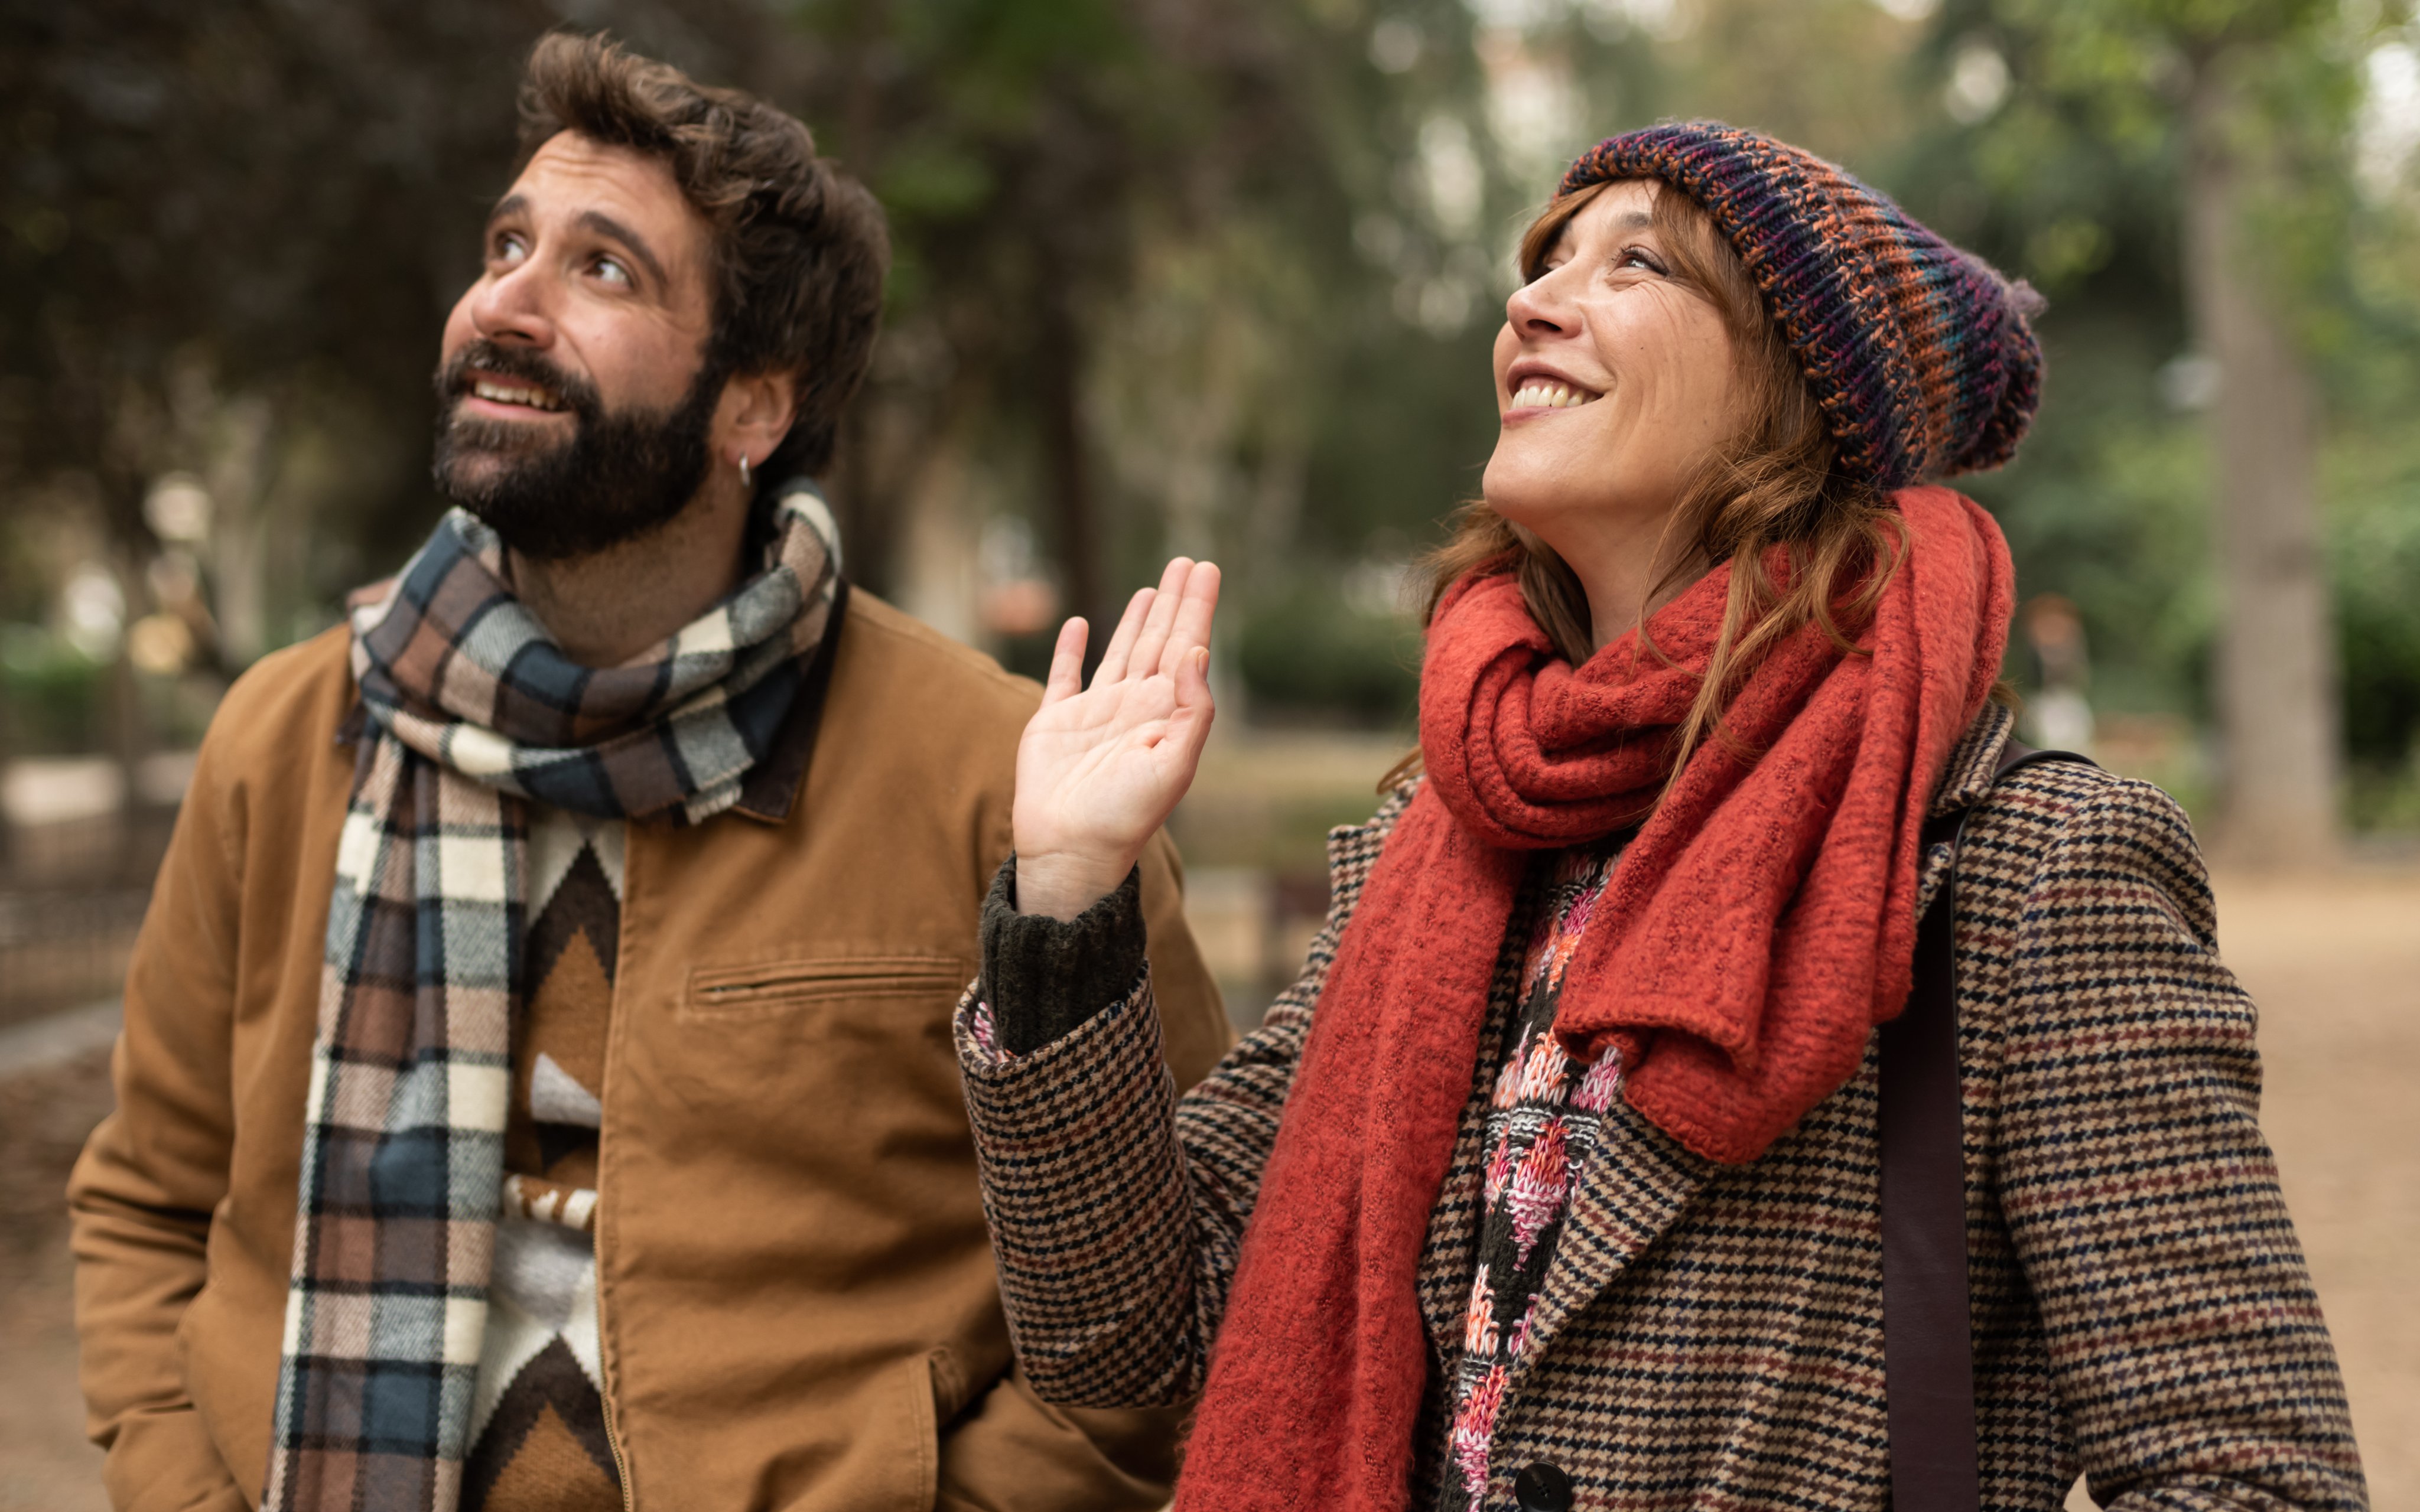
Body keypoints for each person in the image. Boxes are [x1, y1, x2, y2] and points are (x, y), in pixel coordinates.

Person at [955, 124, 2369, 1511]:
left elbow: (2251, 1474)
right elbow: (1127, 1335)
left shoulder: (2026, 867)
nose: (1533, 301)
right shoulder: (1445, 845)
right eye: (1544, 260)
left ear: (1798, 390)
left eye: (1637, 265)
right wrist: (1068, 891)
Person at [68, 32, 1231, 1512]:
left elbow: (1174, 1267)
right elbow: (149, 1204)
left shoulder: (995, 782)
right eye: (507, 244)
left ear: (754, 403)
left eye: (602, 269)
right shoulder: (285, 738)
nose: (505, 303)